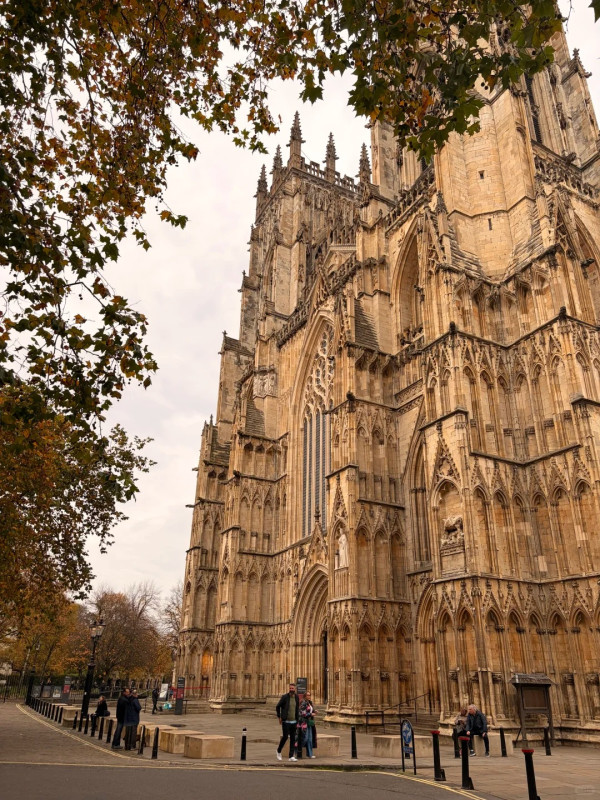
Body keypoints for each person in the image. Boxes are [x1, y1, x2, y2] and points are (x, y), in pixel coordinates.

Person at [275, 683, 299, 761]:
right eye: (290, 688)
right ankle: (278, 751)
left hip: (294, 721)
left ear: (295, 689)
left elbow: (297, 708)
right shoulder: (285, 697)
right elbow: (278, 706)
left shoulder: (296, 697)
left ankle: (291, 756)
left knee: (293, 738)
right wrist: (279, 717)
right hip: (286, 721)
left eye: (292, 688)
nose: (291, 690)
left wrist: (297, 719)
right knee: (285, 737)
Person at [299, 691, 317, 758]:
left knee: (310, 739)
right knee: (305, 738)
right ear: (305, 696)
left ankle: (310, 754)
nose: (309, 696)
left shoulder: (310, 702)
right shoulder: (303, 703)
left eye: (309, 695)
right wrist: (310, 714)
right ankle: (298, 749)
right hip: (304, 722)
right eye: (308, 695)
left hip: (310, 722)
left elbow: (311, 710)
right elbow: (302, 713)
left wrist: (314, 712)